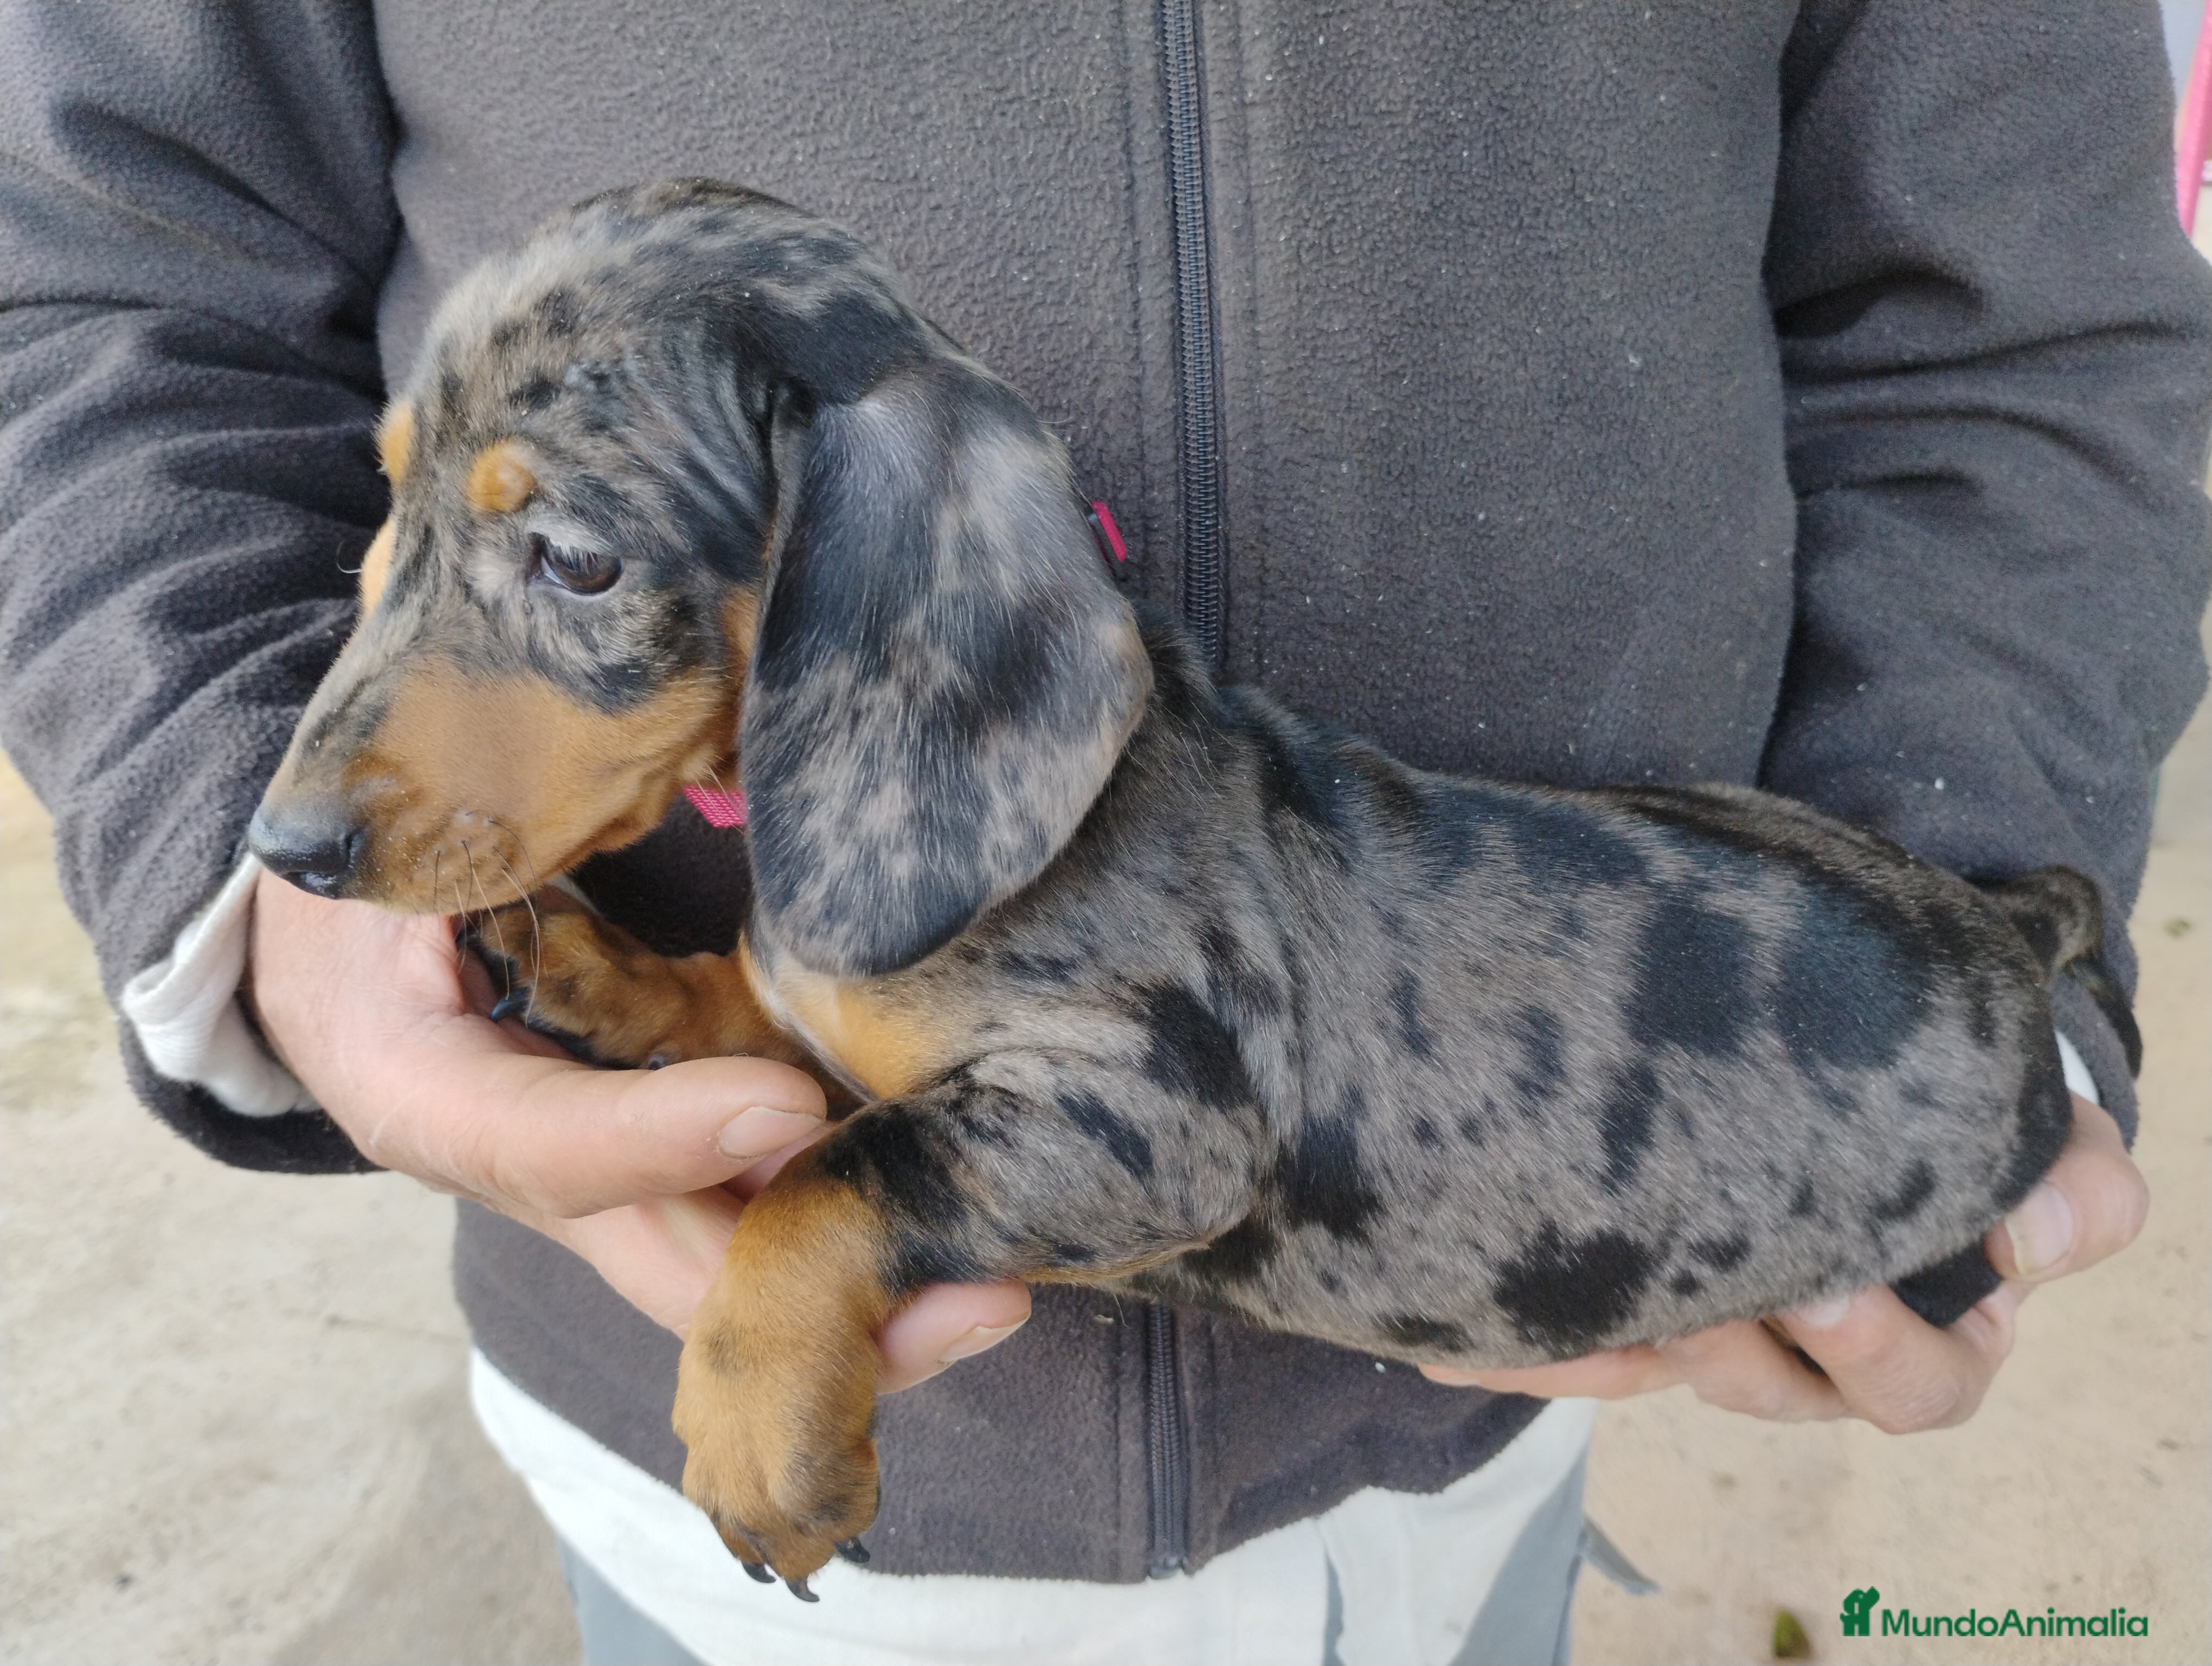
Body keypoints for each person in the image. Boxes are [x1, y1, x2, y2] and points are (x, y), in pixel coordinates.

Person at [1, 3, 2202, 1662]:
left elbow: (2021, 320)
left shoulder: (943, 666)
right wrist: (218, 807)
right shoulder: (857, 836)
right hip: (701, 1505)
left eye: (564, 561)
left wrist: (1999, 982)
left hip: (1500, 1405)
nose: (340, 756)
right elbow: (103, 265)